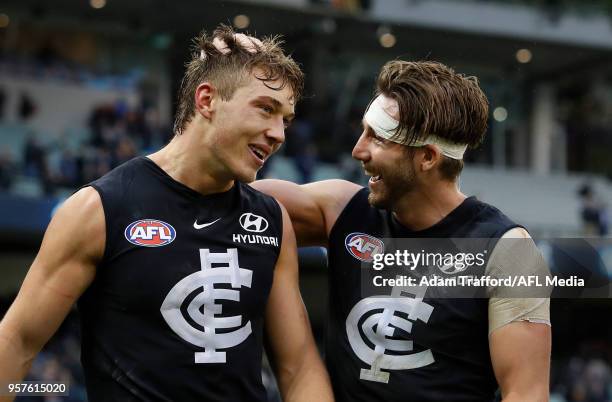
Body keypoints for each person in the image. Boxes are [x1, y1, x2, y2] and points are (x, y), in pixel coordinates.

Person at [0, 25, 333, 402]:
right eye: (265, 109)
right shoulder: (100, 209)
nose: (279, 134)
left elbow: (299, 367)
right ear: (206, 100)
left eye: (285, 119)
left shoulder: (273, 222)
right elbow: (18, 341)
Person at [253, 60, 552, 401]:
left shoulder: (509, 252)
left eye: (377, 138)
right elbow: (228, 198)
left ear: (427, 157)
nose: (357, 151)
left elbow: (526, 394)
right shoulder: (340, 209)